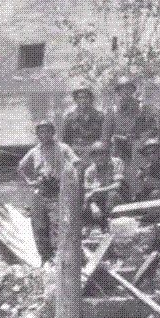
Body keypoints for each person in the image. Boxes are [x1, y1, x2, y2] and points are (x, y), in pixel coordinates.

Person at [17, 120, 79, 262]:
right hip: (41, 191)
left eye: (47, 131)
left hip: (58, 192)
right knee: (39, 226)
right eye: (41, 132)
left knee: (57, 225)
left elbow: (77, 162)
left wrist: (67, 178)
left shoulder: (62, 148)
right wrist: (29, 181)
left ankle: (58, 258)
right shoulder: (34, 151)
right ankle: (45, 258)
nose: (44, 134)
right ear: (37, 134)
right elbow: (20, 167)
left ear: (53, 132)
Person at [103, 76, 157, 162]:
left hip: (139, 149)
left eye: (128, 88)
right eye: (122, 89)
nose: (125, 91)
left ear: (133, 90)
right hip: (118, 150)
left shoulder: (142, 108)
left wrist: (139, 137)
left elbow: (153, 130)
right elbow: (106, 136)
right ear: (118, 92)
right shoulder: (112, 111)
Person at [84, 141, 127, 226]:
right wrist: (93, 206)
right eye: (95, 154)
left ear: (107, 154)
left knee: (113, 195)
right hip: (99, 201)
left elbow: (118, 185)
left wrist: (98, 190)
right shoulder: (89, 171)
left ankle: (112, 224)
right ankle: (90, 228)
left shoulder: (117, 162)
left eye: (102, 153)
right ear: (92, 157)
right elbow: (87, 193)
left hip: (118, 197)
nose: (99, 157)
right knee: (83, 203)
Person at [62, 84, 104, 158]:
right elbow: (66, 140)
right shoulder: (70, 117)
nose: (83, 100)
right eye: (80, 97)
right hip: (75, 153)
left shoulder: (99, 116)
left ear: (91, 99)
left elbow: (103, 138)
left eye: (86, 97)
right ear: (76, 99)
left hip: (95, 154)